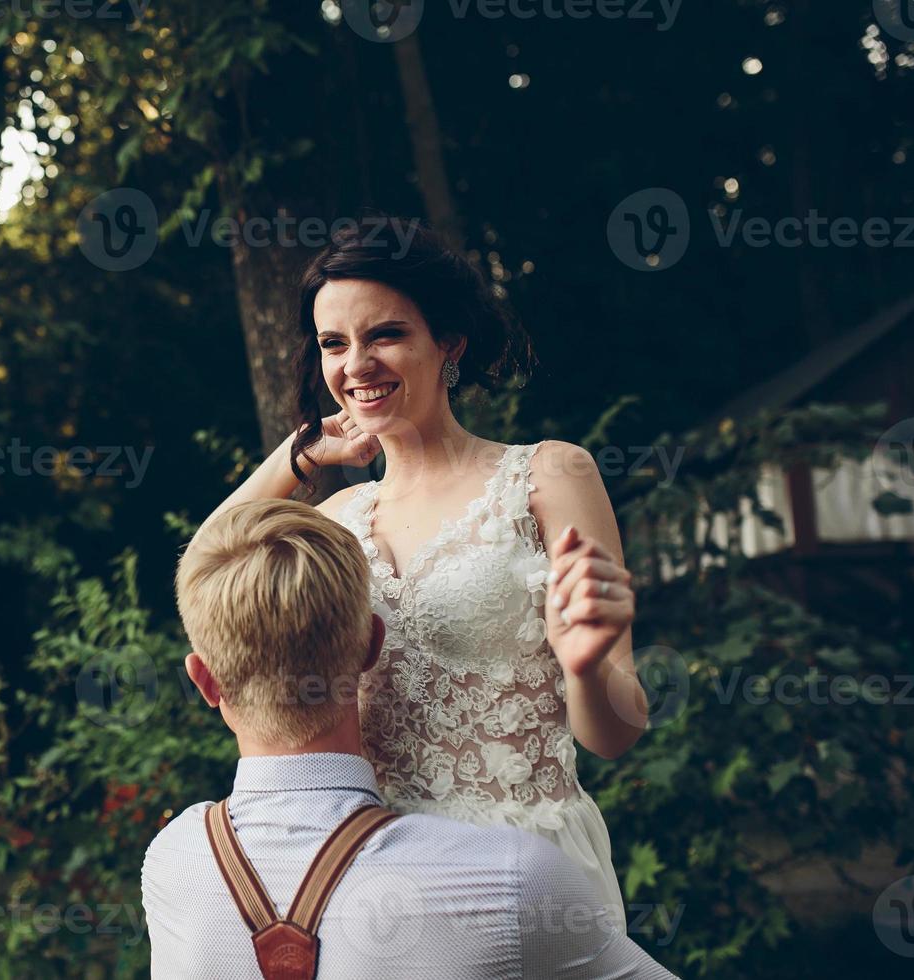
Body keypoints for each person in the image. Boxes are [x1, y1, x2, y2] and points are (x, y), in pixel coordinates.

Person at [200, 218, 644, 926]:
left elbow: (616, 733)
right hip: (378, 875)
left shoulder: (547, 476)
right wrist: (297, 458)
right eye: (333, 344)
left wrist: (586, 667)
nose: (356, 365)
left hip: (529, 872)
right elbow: (206, 570)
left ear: (449, 345)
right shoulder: (338, 518)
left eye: (385, 335)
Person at [141, 499, 675, 978]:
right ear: (374, 644)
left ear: (204, 680)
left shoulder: (172, 865)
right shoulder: (511, 880)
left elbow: (210, 550)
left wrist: (296, 454)